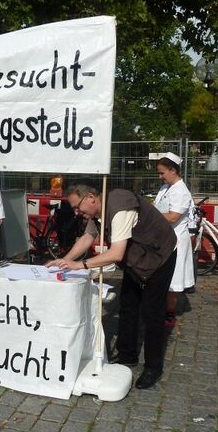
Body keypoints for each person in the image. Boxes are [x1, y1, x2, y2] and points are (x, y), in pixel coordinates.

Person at [46, 183, 177, 389]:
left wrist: (80, 265)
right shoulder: (97, 212)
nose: (76, 212)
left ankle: (153, 367)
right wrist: (65, 260)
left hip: (160, 255)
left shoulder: (119, 207)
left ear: (91, 197)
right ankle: (127, 355)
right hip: (136, 258)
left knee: (152, 312)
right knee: (128, 304)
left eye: (78, 207)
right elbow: (87, 237)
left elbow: (116, 253)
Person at [154, 153, 195, 327]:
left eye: (162, 173)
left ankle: (169, 314)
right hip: (163, 239)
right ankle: (158, 306)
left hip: (176, 241)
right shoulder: (165, 188)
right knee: (161, 275)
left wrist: (151, 216)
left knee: (172, 279)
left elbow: (172, 217)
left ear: (173, 170)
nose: (160, 176)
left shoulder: (181, 191)